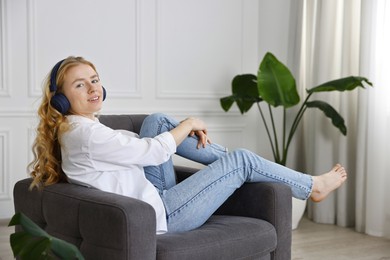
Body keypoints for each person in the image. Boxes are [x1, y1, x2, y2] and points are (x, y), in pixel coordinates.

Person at [29, 56, 347, 234]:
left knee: (157, 121)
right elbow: (151, 152)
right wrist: (191, 124)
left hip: (152, 197)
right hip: (162, 215)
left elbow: (138, 142)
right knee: (241, 160)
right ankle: (310, 186)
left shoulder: (80, 127)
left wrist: (178, 129)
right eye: (80, 84)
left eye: (95, 79)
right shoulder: (86, 134)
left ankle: (246, 167)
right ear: (61, 97)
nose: (92, 88)